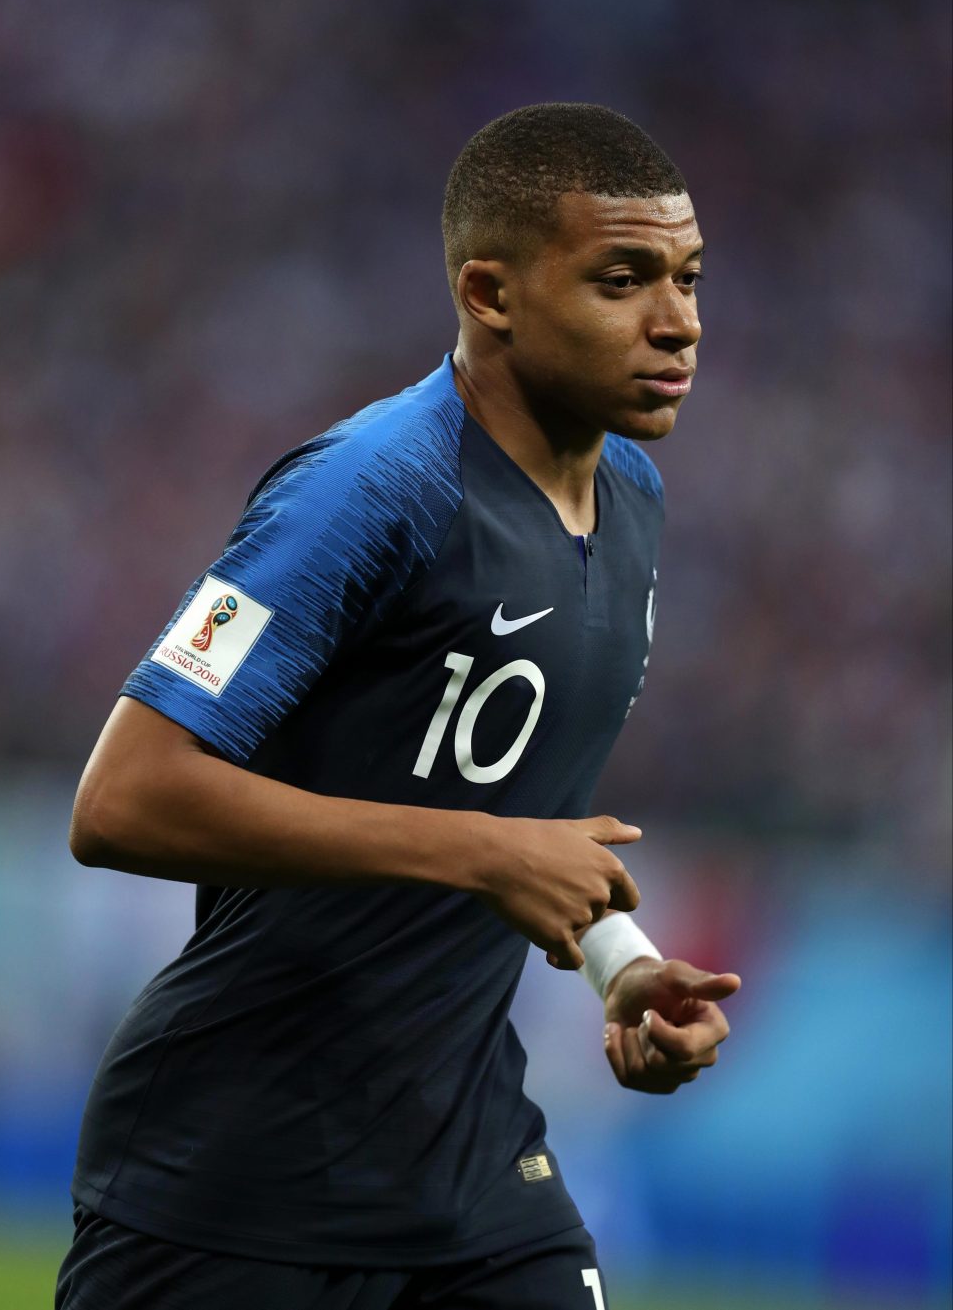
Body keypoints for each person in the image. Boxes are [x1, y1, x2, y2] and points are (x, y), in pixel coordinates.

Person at [57, 103, 741, 1310]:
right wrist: (485, 855)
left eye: (686, 277)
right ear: (490, 294)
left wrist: (619, 964)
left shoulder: (632, 497)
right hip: (235, 1177)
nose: (677, 320)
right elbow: (122, 800)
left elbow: (509, 806)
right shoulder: (370, 490)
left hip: (473, 1170)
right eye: (622, 280)